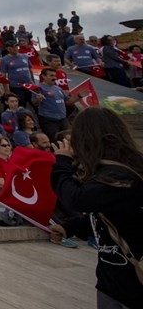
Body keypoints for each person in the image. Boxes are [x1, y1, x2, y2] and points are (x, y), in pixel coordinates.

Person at [51, 108, 143, 309]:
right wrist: (71, 227)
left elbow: (76, 200)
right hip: (112, 281)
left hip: (133, 283)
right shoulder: (110, 171)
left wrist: (62, 164)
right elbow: (109, 214)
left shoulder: (120, 175)